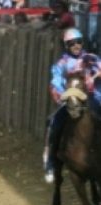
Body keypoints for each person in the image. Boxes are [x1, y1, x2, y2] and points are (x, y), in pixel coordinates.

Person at [43, 28, 101, 183]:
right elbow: (55, 83)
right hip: (72, 100)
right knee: (53, 123)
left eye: (79, 42)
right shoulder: (61, 64)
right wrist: (67, 96)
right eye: (72, 43)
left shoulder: (91, 58)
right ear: (66, 45)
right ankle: (50, 163)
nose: (76, 46)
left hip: (94, 98)